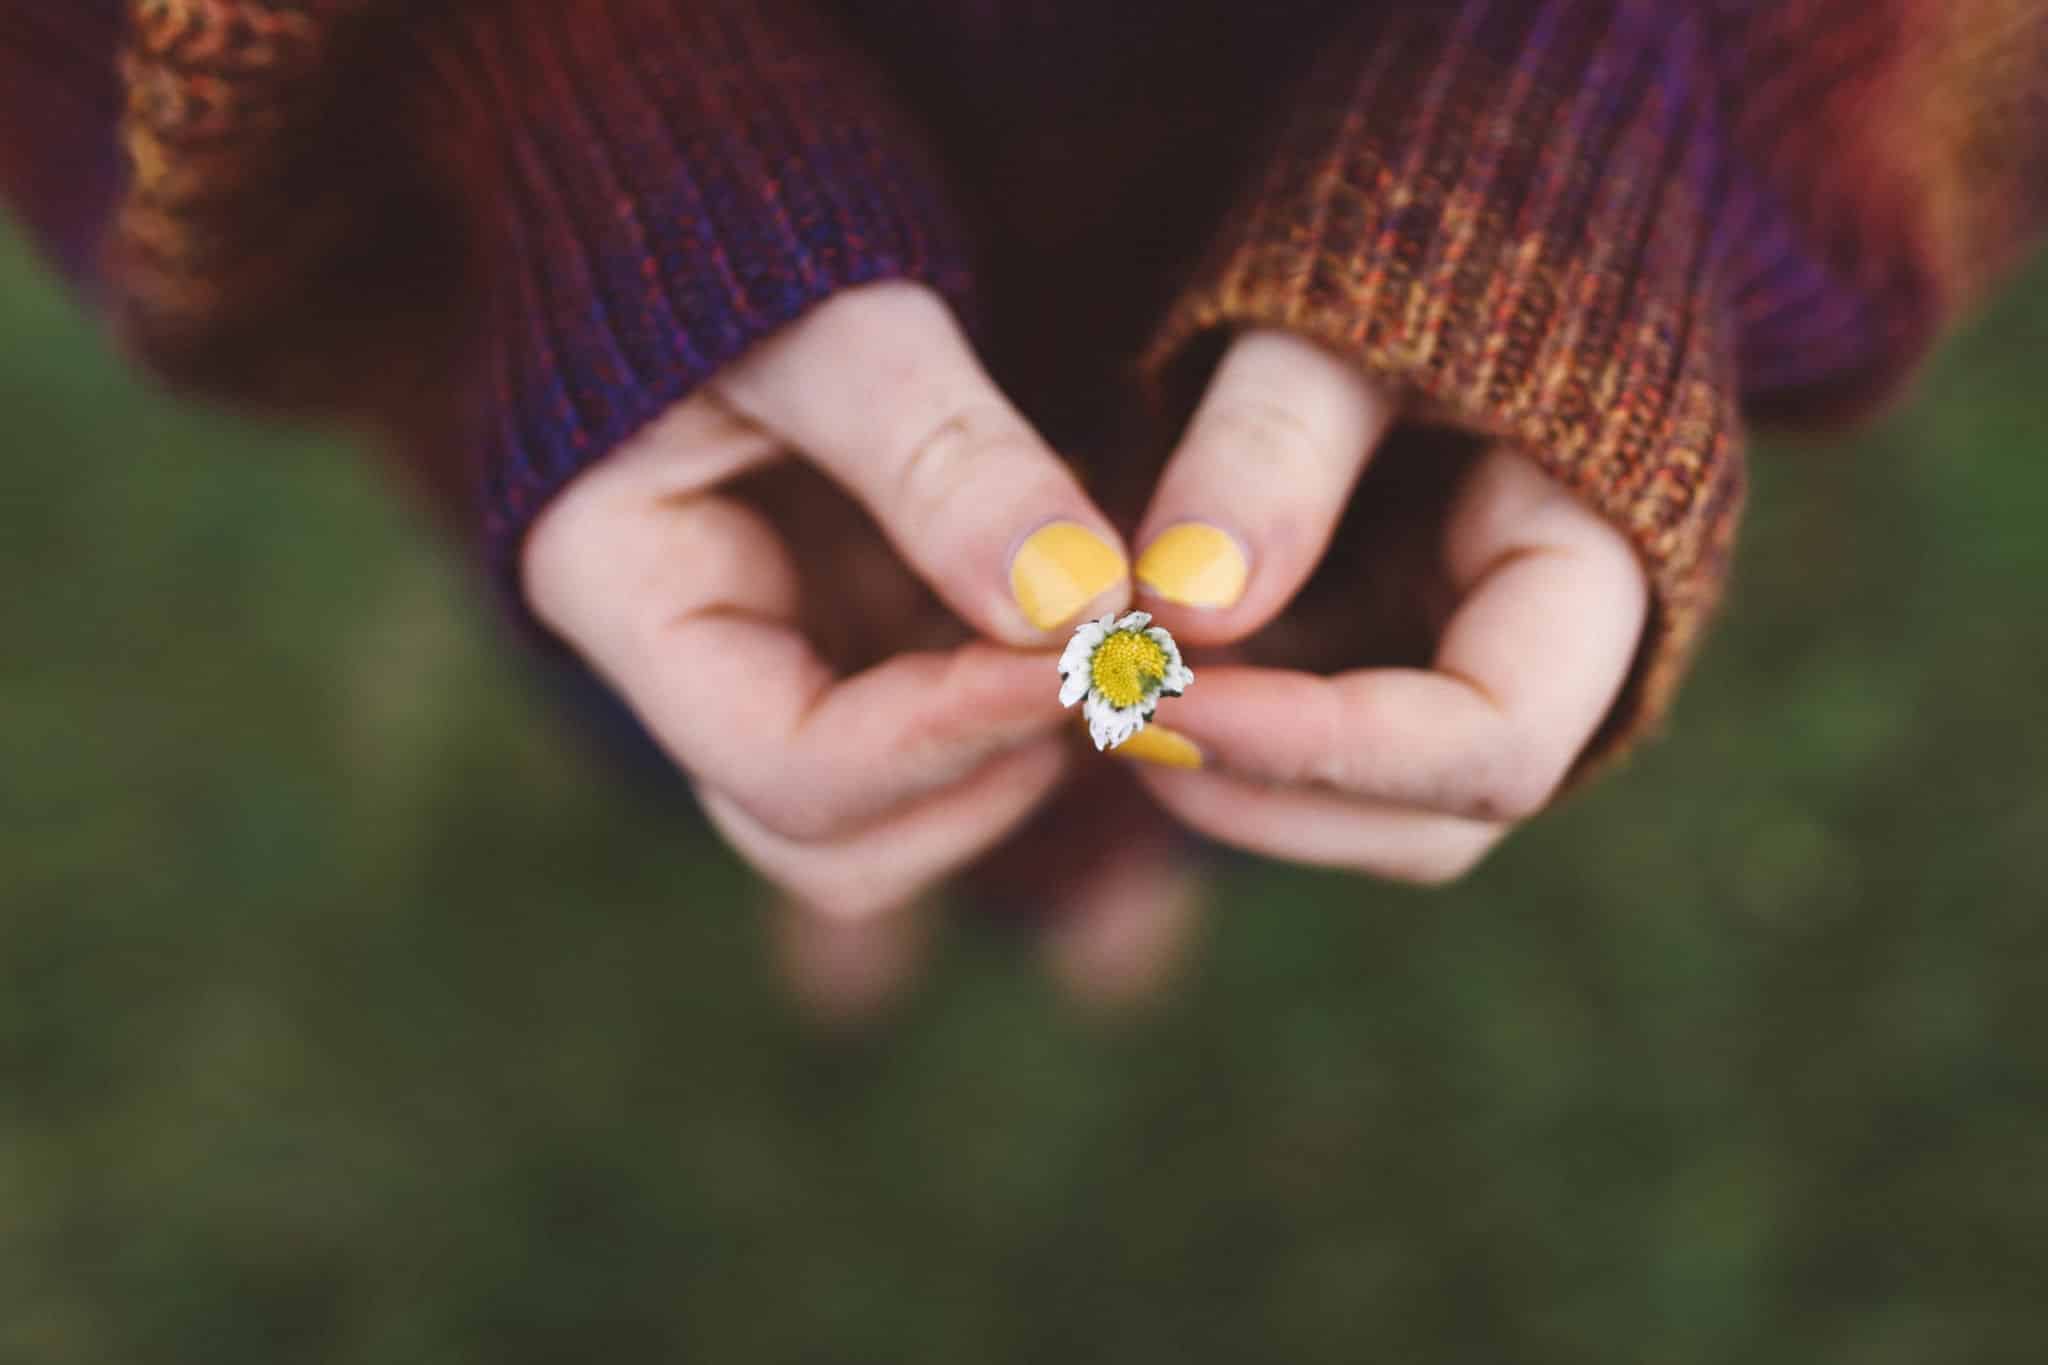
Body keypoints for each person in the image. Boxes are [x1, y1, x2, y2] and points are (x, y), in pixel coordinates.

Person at [5, 1, 2042, 1008]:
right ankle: (852, 865)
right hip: (665, 317)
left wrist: (1621, 101)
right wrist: (556, 90)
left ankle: (1104, 863)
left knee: (1248, 695)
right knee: (767, 659)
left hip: (1328, 188)